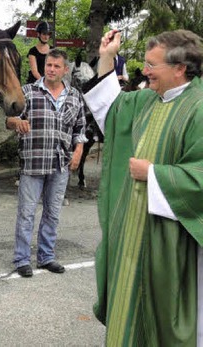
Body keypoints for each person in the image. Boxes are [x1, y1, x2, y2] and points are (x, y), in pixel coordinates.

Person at [83, 29, 203, 345]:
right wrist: (107, 56)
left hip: (170, 241)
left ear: (180, 68)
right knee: (125, 314)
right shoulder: (148, 100)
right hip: (131, 235)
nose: (144, 71)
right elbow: (112, 110)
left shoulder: (199, 108)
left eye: (152, 65)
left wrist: (155, 174)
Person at [6, 48, 87, 278]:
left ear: (65, 70)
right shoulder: (28, 92)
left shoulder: (74, 96)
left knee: (52, 213)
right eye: (48, 65)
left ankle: (46, 257)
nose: (51, 69)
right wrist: (16, 123)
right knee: (26, 213)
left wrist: (79, 150)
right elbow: (9, 120)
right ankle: (22, 259)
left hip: (60, 164)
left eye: (56, 66)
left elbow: (80, 129)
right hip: (33, 162)